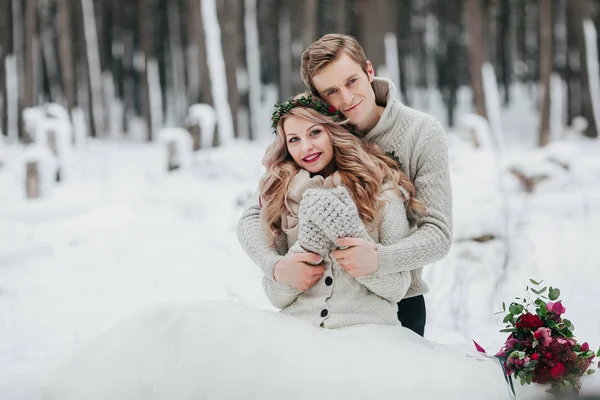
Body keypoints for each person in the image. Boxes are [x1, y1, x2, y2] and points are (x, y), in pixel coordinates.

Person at [238, 33, 453, 336]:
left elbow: (438, 234)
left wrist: (378, 260)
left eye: (351, 81)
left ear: (368, 70)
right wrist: (276, 267)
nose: (346, 99)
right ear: (318, 98)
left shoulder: (422, 132)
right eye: (332, 92)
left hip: (398, 299)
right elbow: (253, 214)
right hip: (318, 309)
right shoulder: (318, 133)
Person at [259, 92, 425, 328]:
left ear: (334, 131)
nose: (306, 147)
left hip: (367, 332)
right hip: (298, 333)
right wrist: (305, 250)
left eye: (315, 132)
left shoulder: (382, 189)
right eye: (294, 139)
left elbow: (397, 288)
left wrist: (343, 228)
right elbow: (276, 295)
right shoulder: (280, 195)